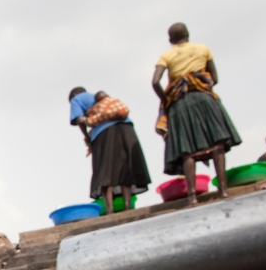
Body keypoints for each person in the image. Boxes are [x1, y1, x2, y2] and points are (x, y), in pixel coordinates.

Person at [152, 22, 242, 205]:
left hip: (180, 104)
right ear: (188, 34)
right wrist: (199, 86)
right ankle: (223, 191)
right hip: (204, 100)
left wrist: (167, 99)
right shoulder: (202, 49)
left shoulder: (166, 56)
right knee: (217, 145)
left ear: (170, 40)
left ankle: (192, 197)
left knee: (188, 151)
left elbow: (155, 82)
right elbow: (214, 78)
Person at [69, 87, 150, 215]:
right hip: (126, 128)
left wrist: (86, 136)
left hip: (104, 132)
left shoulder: (76, 99)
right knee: (125, 167)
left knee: (104, 170)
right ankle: (128, 207)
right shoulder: (102, 98)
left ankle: (110, 210)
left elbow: (79, 120)